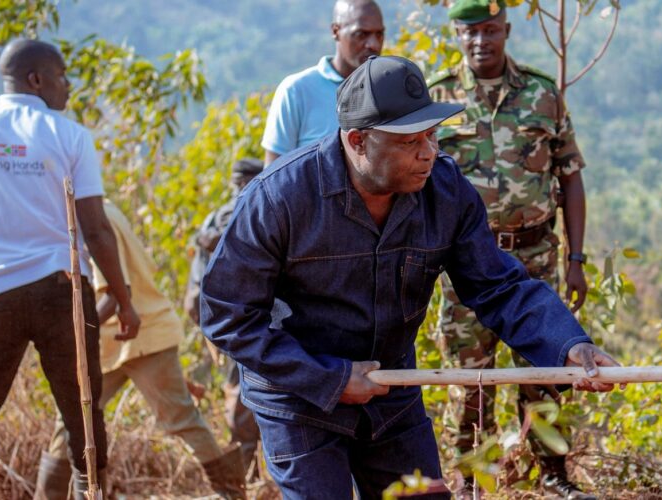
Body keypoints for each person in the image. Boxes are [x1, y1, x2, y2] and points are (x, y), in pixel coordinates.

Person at [201, 55, 620, 500]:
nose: (429, 152)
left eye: (432, 135)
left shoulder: (444, 191)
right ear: (358, 141)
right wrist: (328, 378)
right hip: (298, 397)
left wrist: (566, 345)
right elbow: (228, 316)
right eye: (409, 141)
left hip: (390, 390)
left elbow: (498, 286)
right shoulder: (280, 198)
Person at [0, 39, 140, 497]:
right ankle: (91, 490)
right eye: (62, 77)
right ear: (36, 79)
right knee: (82, 411)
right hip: (59, 291)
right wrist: (123, 301)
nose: (67, 88)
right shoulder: (68, 134)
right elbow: (97, 229)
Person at [427, 1, 592, 497]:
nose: (481, 40)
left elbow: (571, 177)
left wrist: (576, 261)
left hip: (535, 258)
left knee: (544, 374)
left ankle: (555, 477)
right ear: (457, 32)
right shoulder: (437, 99)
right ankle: (474, 483)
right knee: (471, 381)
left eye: (491, 30)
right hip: (463, 268)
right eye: (471, 31)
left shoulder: (542, 94)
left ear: (507, 30)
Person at [36, 200, 244, 499]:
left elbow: (115, 295)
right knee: (72, 422)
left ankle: (233, 494)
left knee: (180, 420)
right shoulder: (101, 208)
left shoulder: (89, 219)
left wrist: (67, 335)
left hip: (141, 333)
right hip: (110, 341)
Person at [184, 157, 265, 478]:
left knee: (240, 387)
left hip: (217, 317)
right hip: (240, 317)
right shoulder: (247, 212)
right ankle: (246, 471)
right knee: (244, 387)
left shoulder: (212, 219)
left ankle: (248, 470)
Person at [260, 0, 384, 164]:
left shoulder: (388, 89)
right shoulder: (297, 91)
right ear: (336, 31)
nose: (373, 44)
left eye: (379, 34)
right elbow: (273, 177)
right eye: (361, 34)